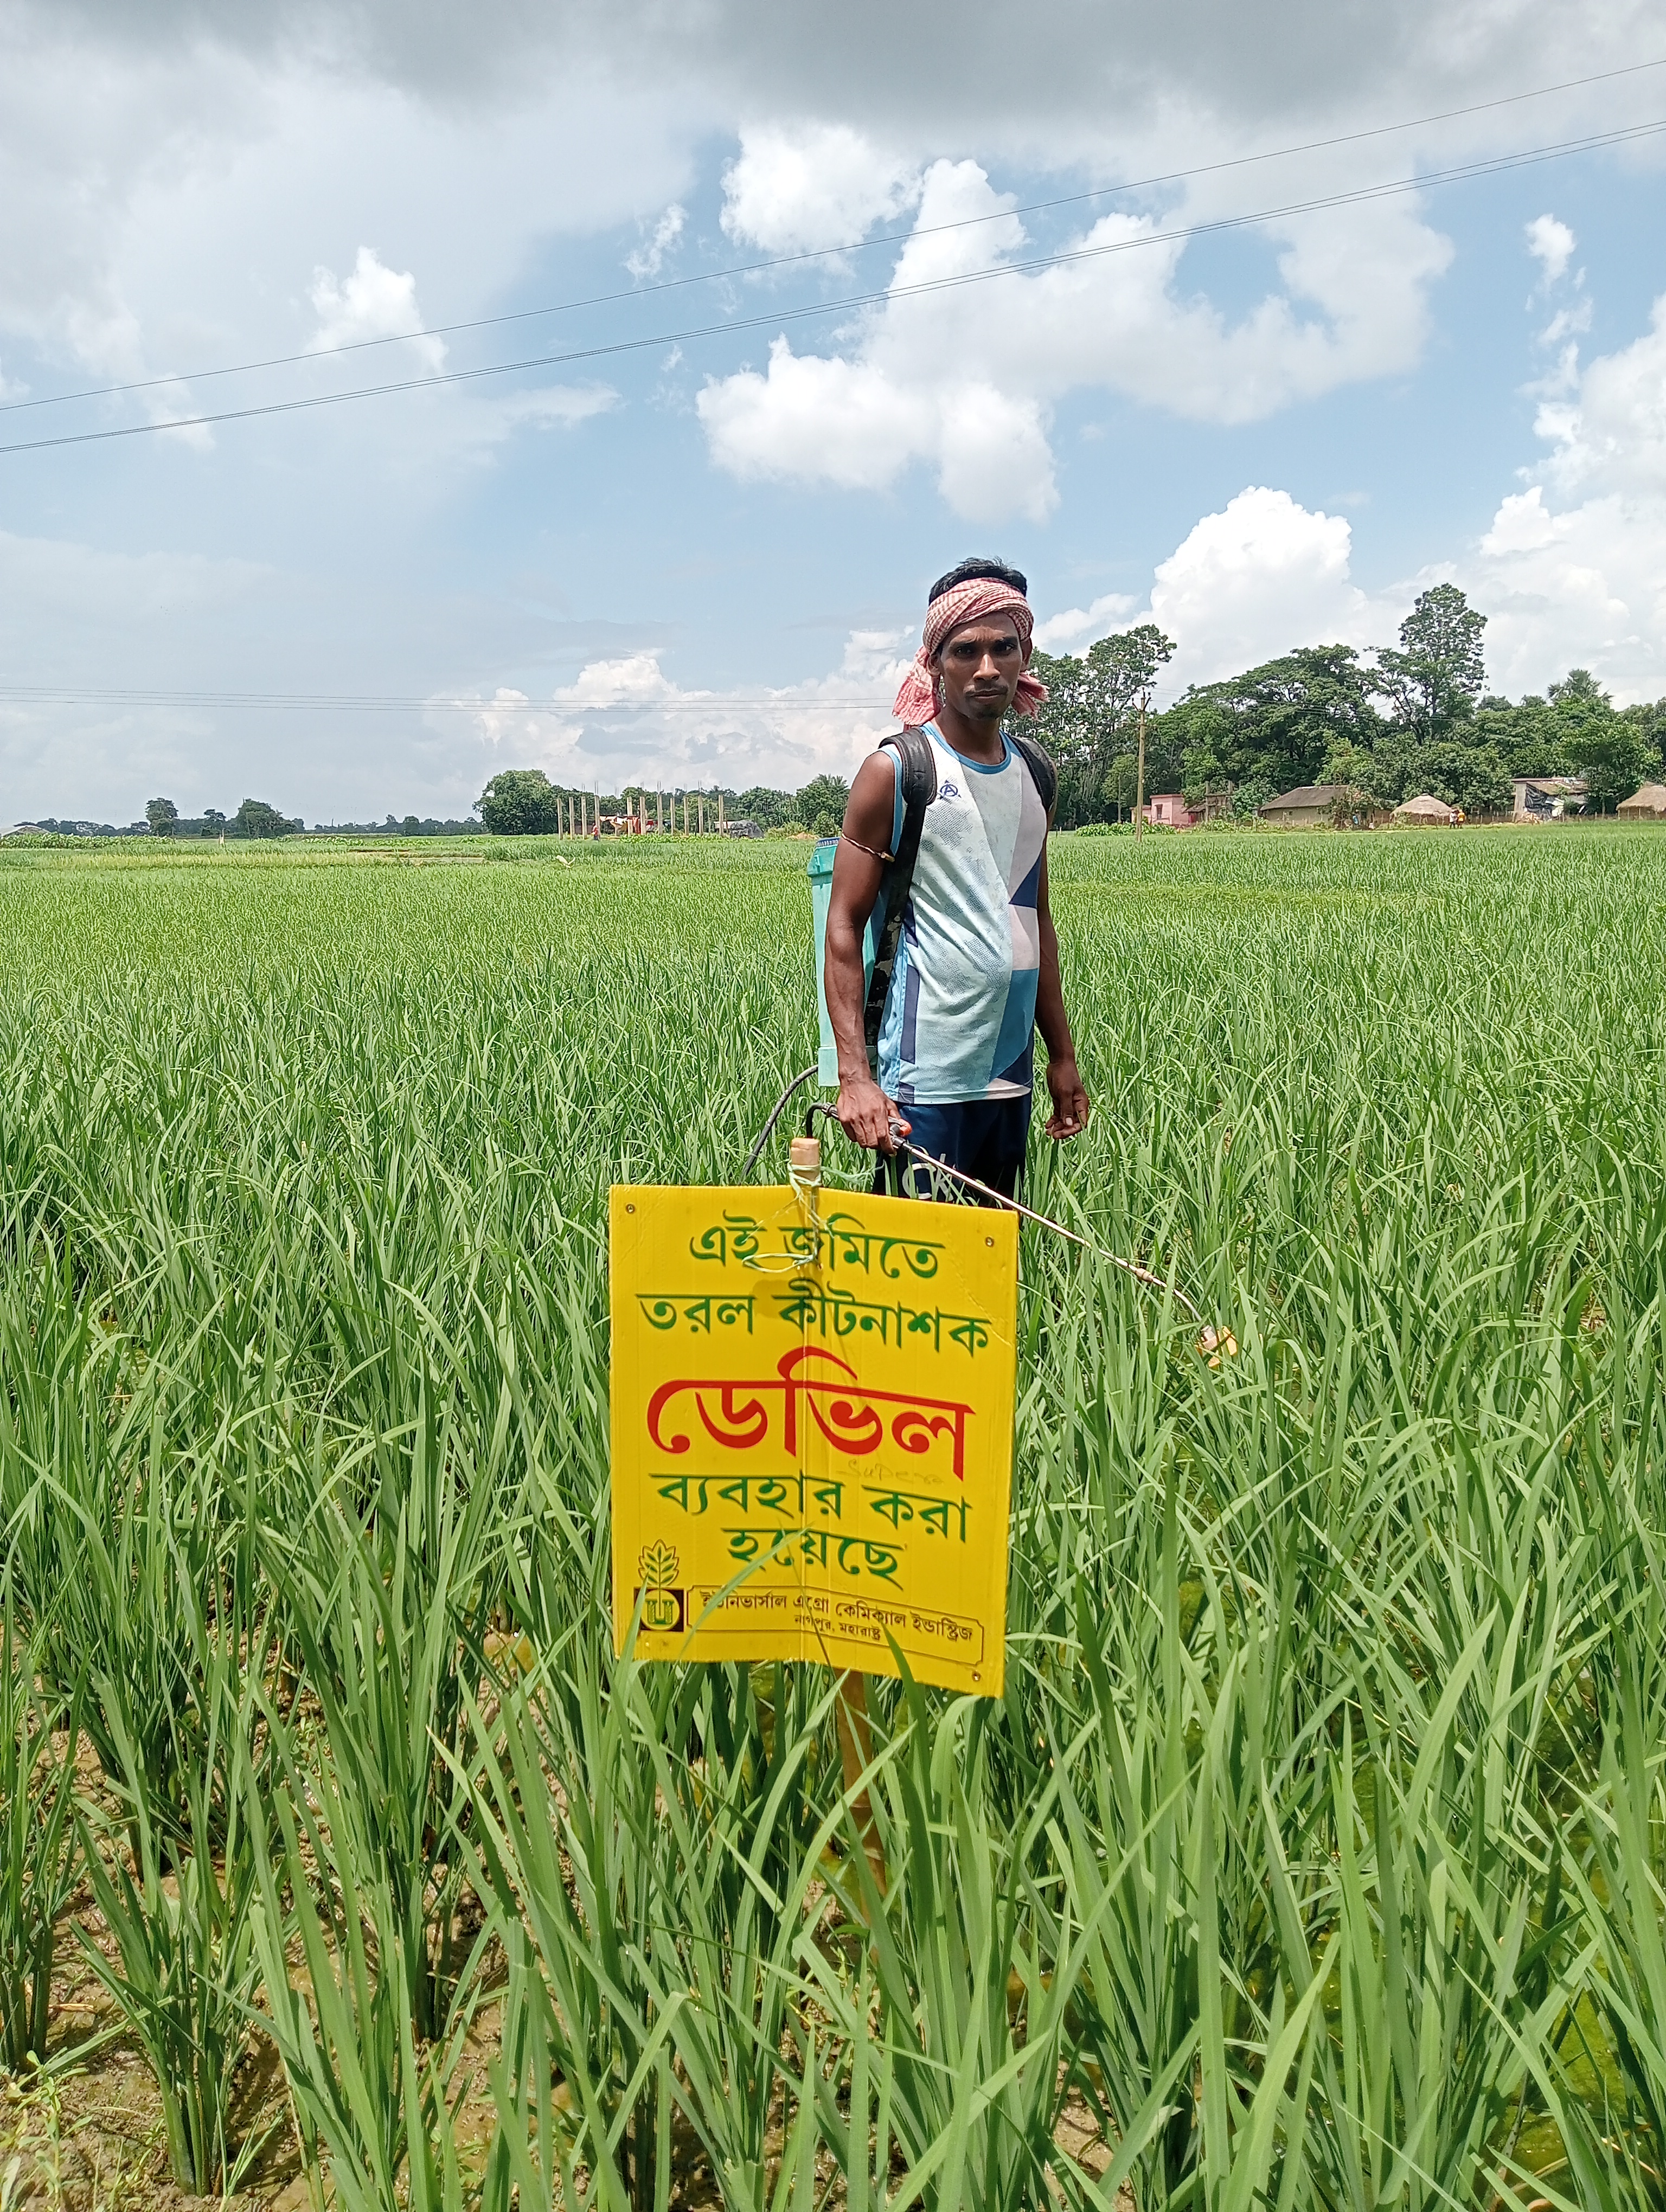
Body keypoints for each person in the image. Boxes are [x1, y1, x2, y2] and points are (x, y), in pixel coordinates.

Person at [824, 556, 1090, 1200]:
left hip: (1010, 1074)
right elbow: (843, 927)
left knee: (996, 1247)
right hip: (926, 1078)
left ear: (1026, 656)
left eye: (1005, 648)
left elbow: (1035, 921)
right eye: (966, 650)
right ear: (936, 663)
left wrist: (1061, 1055)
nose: (987, 667)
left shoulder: (1036, 774)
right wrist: (855, 1078)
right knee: (921, 1253)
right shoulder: (897, 772)